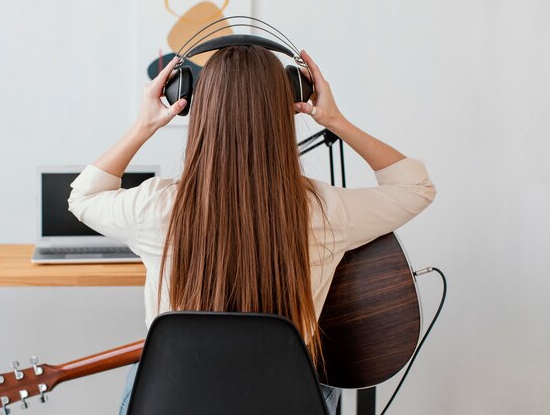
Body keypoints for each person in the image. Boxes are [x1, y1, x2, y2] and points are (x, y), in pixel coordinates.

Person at [68, 45, 436, 415]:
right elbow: (415, 188)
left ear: (196, 105)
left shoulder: (155, 207)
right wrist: (334, 119)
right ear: (288, 106)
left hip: (173, 403)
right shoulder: (326, 211)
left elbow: (83, 197)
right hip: (286, 403)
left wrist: (144, 124)